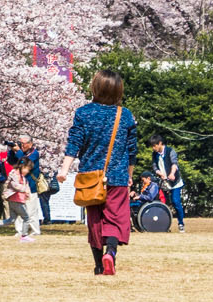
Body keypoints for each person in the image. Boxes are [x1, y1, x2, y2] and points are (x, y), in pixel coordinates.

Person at [64, 68, 138, 277]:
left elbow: (74, 143)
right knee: (115, 218)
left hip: (90, 177)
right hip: (117, 176)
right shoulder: (125, 115)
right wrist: (129, 174)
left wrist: (64, 169)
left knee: (95, 220)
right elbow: (132, 150)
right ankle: (111, 253)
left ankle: (98, 265)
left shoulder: (83, 113)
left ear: (95, 87)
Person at [150, 135, 187, 231]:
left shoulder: (170, 151)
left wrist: (172, 173)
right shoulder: (154, 154)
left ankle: (181, 223)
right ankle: (164, 225)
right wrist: (159, 173)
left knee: (175, 201)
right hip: (164, 182)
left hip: (175, 182)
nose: (153, 148)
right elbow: (154, 167)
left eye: (154, 146)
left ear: (160, 143)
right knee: (163, 204)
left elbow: (174, 164)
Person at [6, 160, 41, 240]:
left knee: (29, 214)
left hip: (24, 195)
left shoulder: (34, 154)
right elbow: (14, 185)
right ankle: (23, 234)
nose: (28, 171)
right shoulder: (15, 174)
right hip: (16, 198)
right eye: (27, 169)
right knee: (24, 217)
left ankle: (30, 232)